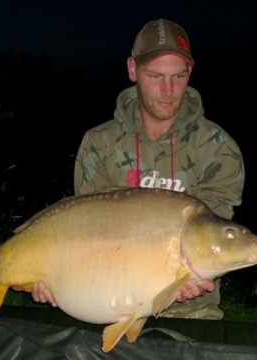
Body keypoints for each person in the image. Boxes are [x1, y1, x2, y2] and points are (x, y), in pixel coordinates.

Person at [32, 18, 245, 320]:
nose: (168, 90)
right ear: (133, 69)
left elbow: (211, 241)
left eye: (179, 76)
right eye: (155, 76)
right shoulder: (99, 144)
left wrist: (189, 280)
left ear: (190, 71)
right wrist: (54, 277)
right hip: (109, 303)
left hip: (190, 311)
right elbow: (86, 235)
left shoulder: (217, 148)